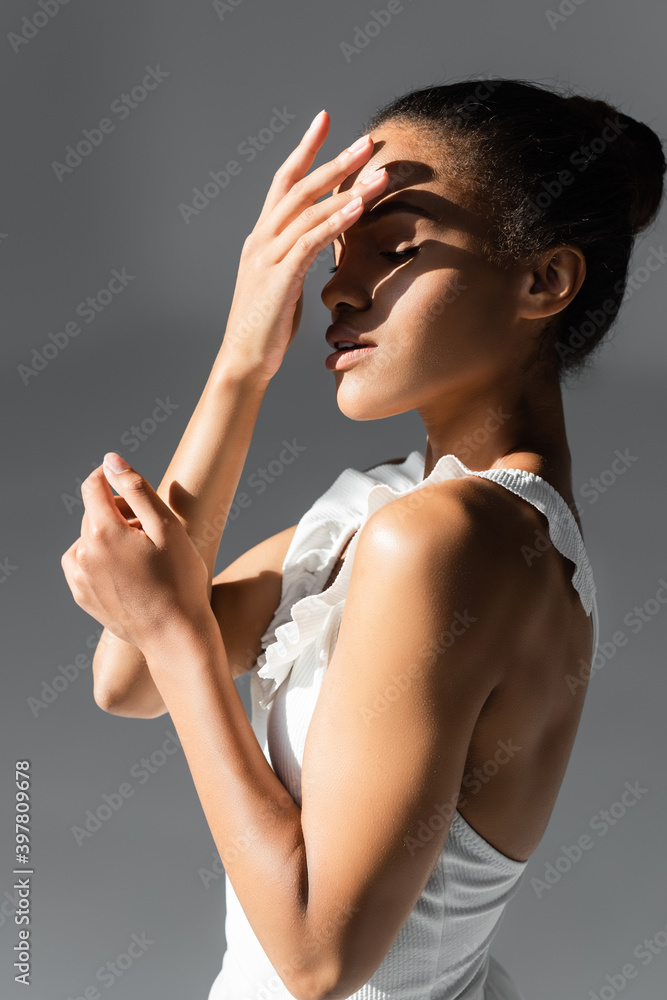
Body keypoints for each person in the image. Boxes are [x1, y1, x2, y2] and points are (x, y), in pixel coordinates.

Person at [89, 79, 666, 1000]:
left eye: (395, 249)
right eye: (333, 252)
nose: (338, 288)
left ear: (543, 280)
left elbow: (319, 961)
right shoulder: (394, 510)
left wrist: (175, 633)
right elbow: (127, 678)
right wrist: (243, 357)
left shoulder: (451, 538)